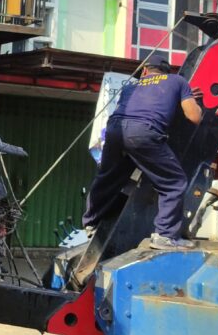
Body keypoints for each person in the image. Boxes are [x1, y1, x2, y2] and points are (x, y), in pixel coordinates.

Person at [82, 52, 203, 249]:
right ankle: (165, 235)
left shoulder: (130, 86)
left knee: (109, 177)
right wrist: (190, 98)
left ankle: (91, 223)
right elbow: (194, 117)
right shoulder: (177, 81)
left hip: (115, 130)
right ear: (166, 71)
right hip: (143, 132)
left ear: (145, 71)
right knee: (174, 182)